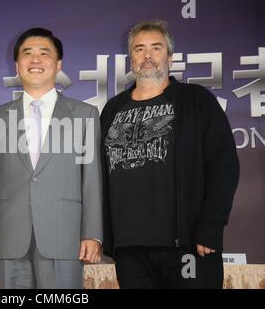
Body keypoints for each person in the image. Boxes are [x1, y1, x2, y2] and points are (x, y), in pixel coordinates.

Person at [101, 20, 239, 288]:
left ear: (170, 57)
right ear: (131, 60)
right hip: (130, 249)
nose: (148, 56)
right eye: (139, 49)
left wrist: (211, 228)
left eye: (156, 48)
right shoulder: (112, 109)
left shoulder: (197, 100)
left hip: (188, 246)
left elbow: (224, 166)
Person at [0, 28, 103, 289]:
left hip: (64, 235)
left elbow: (91, 180)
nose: (35, 60)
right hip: (9, 237)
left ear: (58, 64)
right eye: (27, 54)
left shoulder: (85, 115)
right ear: (17, 65)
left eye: (44, 54)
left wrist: (92, 234)